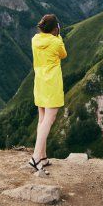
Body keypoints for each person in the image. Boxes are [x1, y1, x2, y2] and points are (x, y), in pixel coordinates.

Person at [28, 14, 67, 175]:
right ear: (55, 28)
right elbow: (64, 54)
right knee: (49, 120)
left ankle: (43, 156)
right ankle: (36, 157)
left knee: (42, 119)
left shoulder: (35, 40)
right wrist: (59, 36)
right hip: (52, 83)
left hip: (40, 82)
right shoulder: (56, 41)